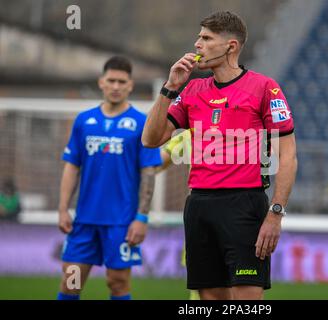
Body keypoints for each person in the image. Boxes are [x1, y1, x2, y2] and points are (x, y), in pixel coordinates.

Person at [142, 11, 298, 300]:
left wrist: (275, 214)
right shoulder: (191, 90)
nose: (197, 44)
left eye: (206, 38)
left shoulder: (265, 88)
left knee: (246, 300)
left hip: (244, 204)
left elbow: (287, 157)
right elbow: (151, 139)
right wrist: (170, 87)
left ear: (231, 46)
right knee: (210, 299)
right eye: (199, 37)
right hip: (199, 205)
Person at [57, 56, 162, 300]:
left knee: (117, 283)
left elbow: (149, 172)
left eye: (121, 82)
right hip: (84, 220)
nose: (116, 86)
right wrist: (63, 209)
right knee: (70, 281)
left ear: (130, 85)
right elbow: (72, 166)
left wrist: (142, 217)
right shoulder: (84, 121)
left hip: (121, 222)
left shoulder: (141, 123)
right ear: (101, 82)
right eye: (111, 80)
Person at [157, 130, 200, 300]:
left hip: (239, 218)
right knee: (200, 287)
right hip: (202, 218)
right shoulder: (190, 134)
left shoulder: (245, 130)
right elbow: (156, 163)